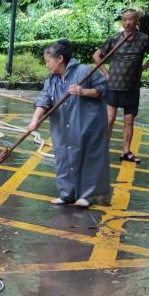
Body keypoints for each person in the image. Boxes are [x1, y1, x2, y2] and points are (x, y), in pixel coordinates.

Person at [24, 39, 110, 207]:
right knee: (63, 157)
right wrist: (34, 121)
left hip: (87, 123)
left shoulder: (84, 71)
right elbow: (43, 100)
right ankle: (66, 193)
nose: (46, 65)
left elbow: (103, 89)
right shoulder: (51, 80)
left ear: (60, 59)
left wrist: (83, 91)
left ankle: (87, 195)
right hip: (63, 126)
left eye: (48, 61)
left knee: (88, 158)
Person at [93, 8, 149, 163]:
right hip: (113, 86)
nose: (128, 22)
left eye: (131, 19)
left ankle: (126, 152)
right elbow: (96, 56)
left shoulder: (143, 39)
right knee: (109, 119)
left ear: (137, 21)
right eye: (124, 19)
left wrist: (143, 67)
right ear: (122, 21)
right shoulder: (114, 39)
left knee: (129, 121)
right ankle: (103, 151)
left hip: (132, 87)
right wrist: (106, 73)